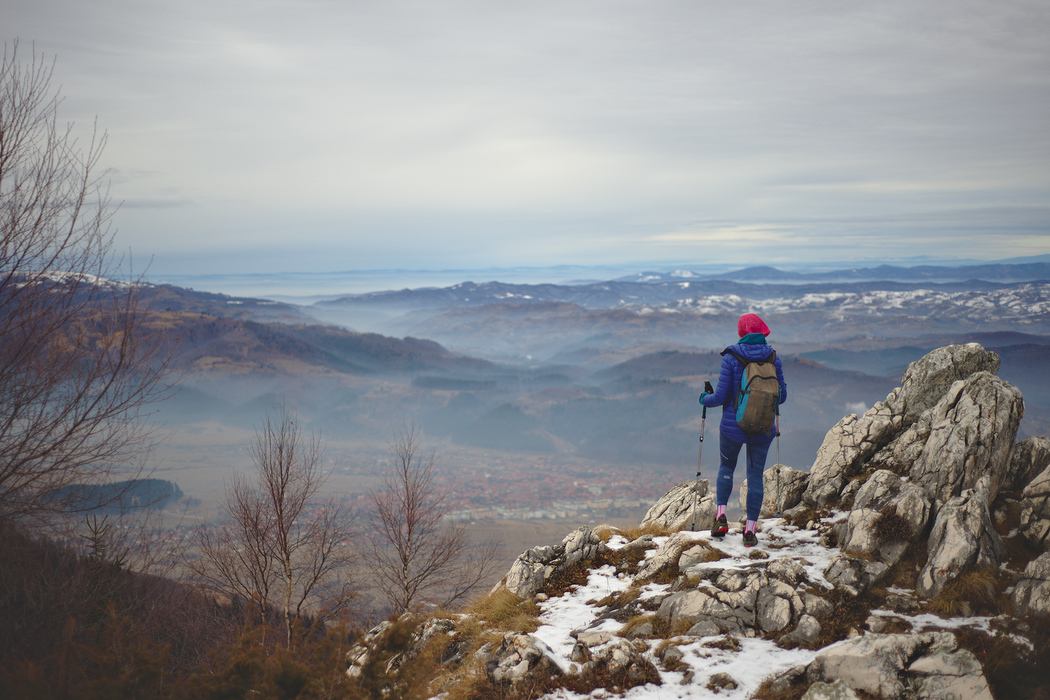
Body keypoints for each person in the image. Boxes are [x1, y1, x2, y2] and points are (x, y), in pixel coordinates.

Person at [699, 313, 787, 547]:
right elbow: (783, 396)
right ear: (762, 333)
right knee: (755, 476)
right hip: (763, 429)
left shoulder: (730, 357)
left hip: (732, 428)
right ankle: (749, 531)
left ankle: (720, 519)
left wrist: (703, 399)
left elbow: (719, 397)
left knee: (726, 467)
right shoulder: (773, 358)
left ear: (740, 334)